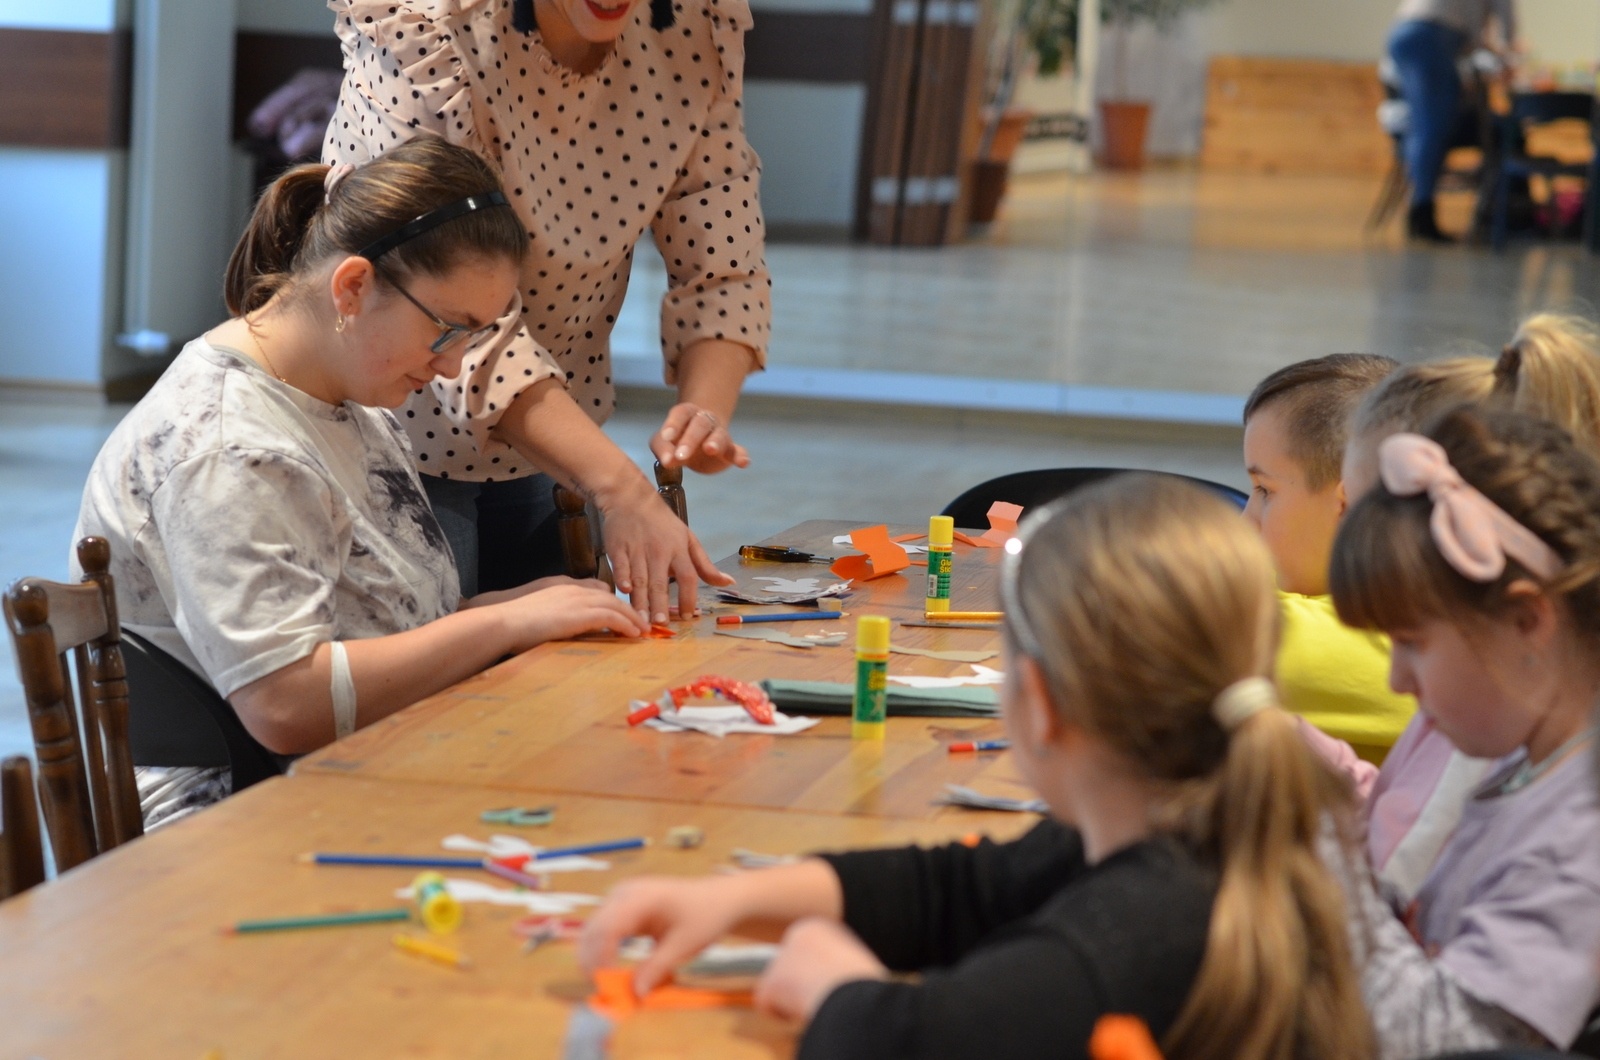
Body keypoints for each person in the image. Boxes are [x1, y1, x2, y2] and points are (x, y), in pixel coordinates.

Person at [579, 476, 1372, 1060]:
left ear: (1039, 704)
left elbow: (914, 1044)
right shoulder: (1189, 827)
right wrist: (733, 900)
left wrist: (834, 991)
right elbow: (958, 889)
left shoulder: (1127, 933)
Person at [74, 138, 645, 826]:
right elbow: (285, 704)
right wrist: (500, 623)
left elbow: (381, 624)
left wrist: (521, 604)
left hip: (369, 762)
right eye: (448, 330)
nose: (452, 366)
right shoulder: (226, 446)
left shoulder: (346, 394)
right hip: (238, 814)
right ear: (352, 288)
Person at [322, 0, 771, 613]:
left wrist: (704, 411)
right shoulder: (426, 28)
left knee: (552, 663)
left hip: (552, 433)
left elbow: (723, 253)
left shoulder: (693, 26)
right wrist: (619, 486)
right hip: (391, 430)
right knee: (428, 663)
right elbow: (447, 305)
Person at [1329, 406, 1600, 1056]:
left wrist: (1319, 865)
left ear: (1527, 620)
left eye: (1412, 642)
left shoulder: (1582, 834)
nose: (1397, 679)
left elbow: (1451, 1043)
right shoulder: (1529, 768)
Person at [1341, 314, 1600, 902]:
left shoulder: (1493, 728)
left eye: (1360, 514)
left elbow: (1400, 897)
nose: (1396, 676)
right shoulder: (1482, 696)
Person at [1242, 353, 1415, 763]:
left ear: (1348, 501)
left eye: (1264, 491)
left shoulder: (1384, 638)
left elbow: (1157, 622)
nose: (1246, 519)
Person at [1387, 0, 1516, 242]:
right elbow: (1506, 24)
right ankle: (1422, 212)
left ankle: (1421, 209)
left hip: (1403, 30)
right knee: (1432, 125)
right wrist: (1508, 55)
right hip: (1432, 35)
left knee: (1428, 122)